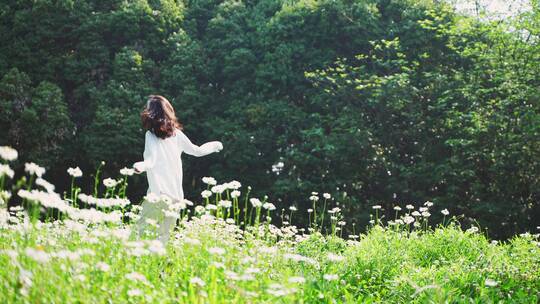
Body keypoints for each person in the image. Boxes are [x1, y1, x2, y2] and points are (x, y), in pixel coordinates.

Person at [132, 95, 223, 244]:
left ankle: (131, 264)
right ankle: (158, 266)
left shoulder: (151, 136)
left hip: (158, 195)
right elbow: (197, 150)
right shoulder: (177, 134)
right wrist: (214, 146)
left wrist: (140, 166)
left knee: (138, 235)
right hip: (176, 198)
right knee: (163, 239)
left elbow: (151, 160)